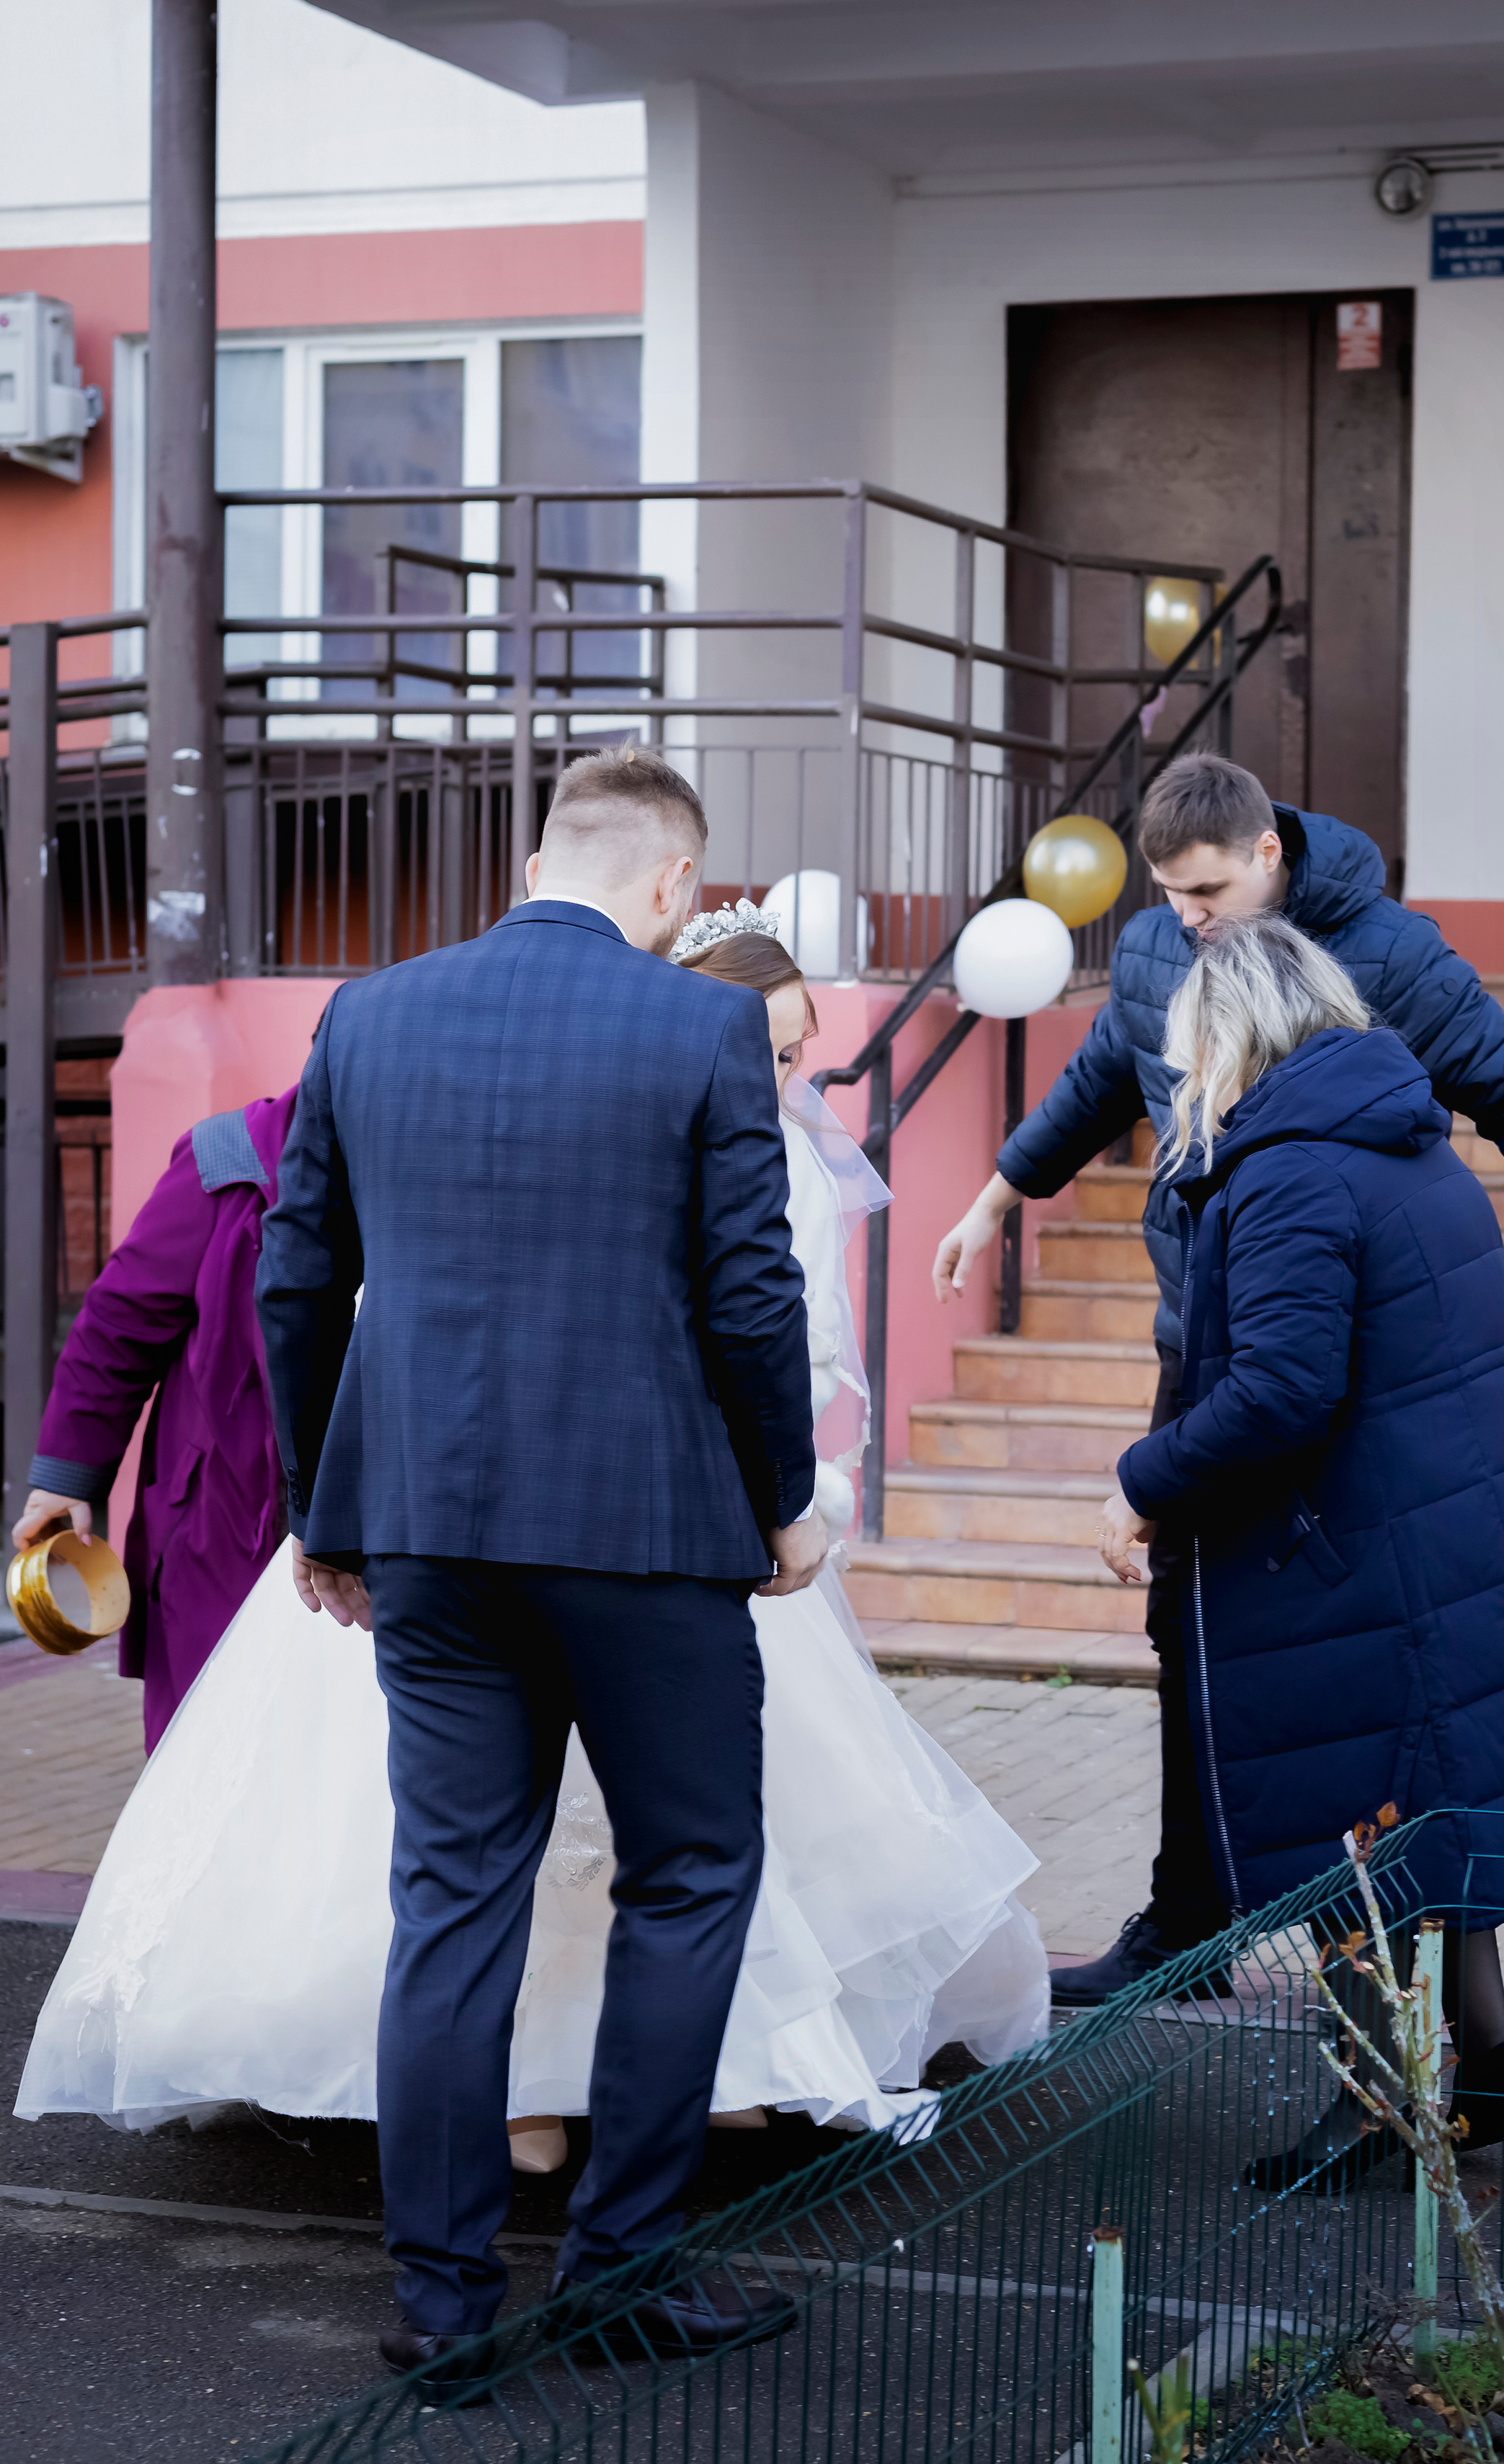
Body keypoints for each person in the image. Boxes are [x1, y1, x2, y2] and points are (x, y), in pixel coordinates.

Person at [16, 809, 1048, 2387]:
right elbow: (751, 1291)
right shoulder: (701, 1027)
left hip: (429, 1535)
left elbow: (300, 1277)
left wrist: (327, 1511)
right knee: (689, 1875)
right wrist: (782, 1500)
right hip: (647, 1537)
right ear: (674, 881)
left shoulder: (370, 1015)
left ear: (532, 866)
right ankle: (618, 2269)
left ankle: (441, 2304)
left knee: (450, 1899)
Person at [933, 757, 1504, 2006]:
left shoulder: (1391, 955)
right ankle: (1192, 1923)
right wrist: (995, 1198)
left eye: (1207, 891)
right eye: (1168, 894)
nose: (1187, 918)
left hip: (1336, 1373)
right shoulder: (1159, 946)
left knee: (1341, 1661)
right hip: (1205, 1349)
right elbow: (1103, 1076)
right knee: (1187, 1628)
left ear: (1267, 854)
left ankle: (1401, 1990)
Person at [1092, 912, 1504, 2192]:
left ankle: (1373, 2110)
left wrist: (1141, 1480)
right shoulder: (1403, 1138)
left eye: (1192, 1051)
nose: (1187, 1077)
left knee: (1355, 1839)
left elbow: (1281, 1392)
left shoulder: (1292, 1169)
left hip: (1370, 1555)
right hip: (1457, 1531)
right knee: (1429, 1825)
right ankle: (1493, 2068)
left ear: (1232, 1036)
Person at [12, 1088, 298, 1750]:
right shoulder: (229, 1158)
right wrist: (66, 1477)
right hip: (224, 1528)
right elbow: (118, 1326)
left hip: (385, 1545)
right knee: (212, 1747)